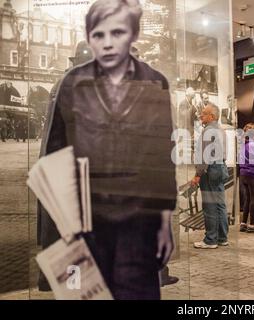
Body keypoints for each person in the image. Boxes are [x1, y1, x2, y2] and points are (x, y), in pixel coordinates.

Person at [39, 0, 177, 299]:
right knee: (82, 293)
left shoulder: (154, 82)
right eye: (99, 35)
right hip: (85, 220)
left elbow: (160, 159)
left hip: (136, 223)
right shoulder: (71, 85)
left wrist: (164, 223)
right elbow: (53, 160)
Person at [191, 104, 229, 249]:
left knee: (209, 205)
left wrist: (197, 175)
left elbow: (204, 156)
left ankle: (211, 240)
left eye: (204, 113)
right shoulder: (221, 130)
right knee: (220, 205)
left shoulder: (208, 131)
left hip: (210, 170)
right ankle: (222, 238)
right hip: (220, 168)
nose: (201, 115)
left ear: (212, 116)